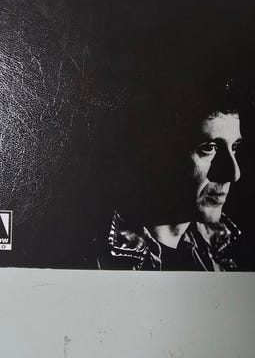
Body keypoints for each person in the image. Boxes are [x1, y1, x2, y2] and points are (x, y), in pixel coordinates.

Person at [96, 84, 245, 271]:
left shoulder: (222, 250)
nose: (234, 173)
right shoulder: (100, 261)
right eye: (209, 148)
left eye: (234, 147)